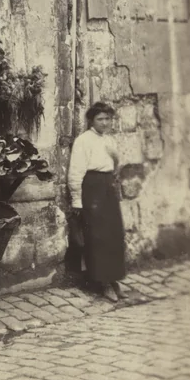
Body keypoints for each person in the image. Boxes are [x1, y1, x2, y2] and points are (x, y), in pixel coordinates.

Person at [67, 101, 125, 303]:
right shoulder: (83, 141)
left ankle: (114, 279)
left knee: (114, 234)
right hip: (92, 189)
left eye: (108, 119)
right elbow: (76, 172)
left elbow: (114, 167)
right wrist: (76, 200)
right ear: (91, 120)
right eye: (100, 119)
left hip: (108, 188)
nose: (105, 123)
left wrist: (116, 163)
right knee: (98, 236)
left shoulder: (109, 140)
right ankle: (103, 282)